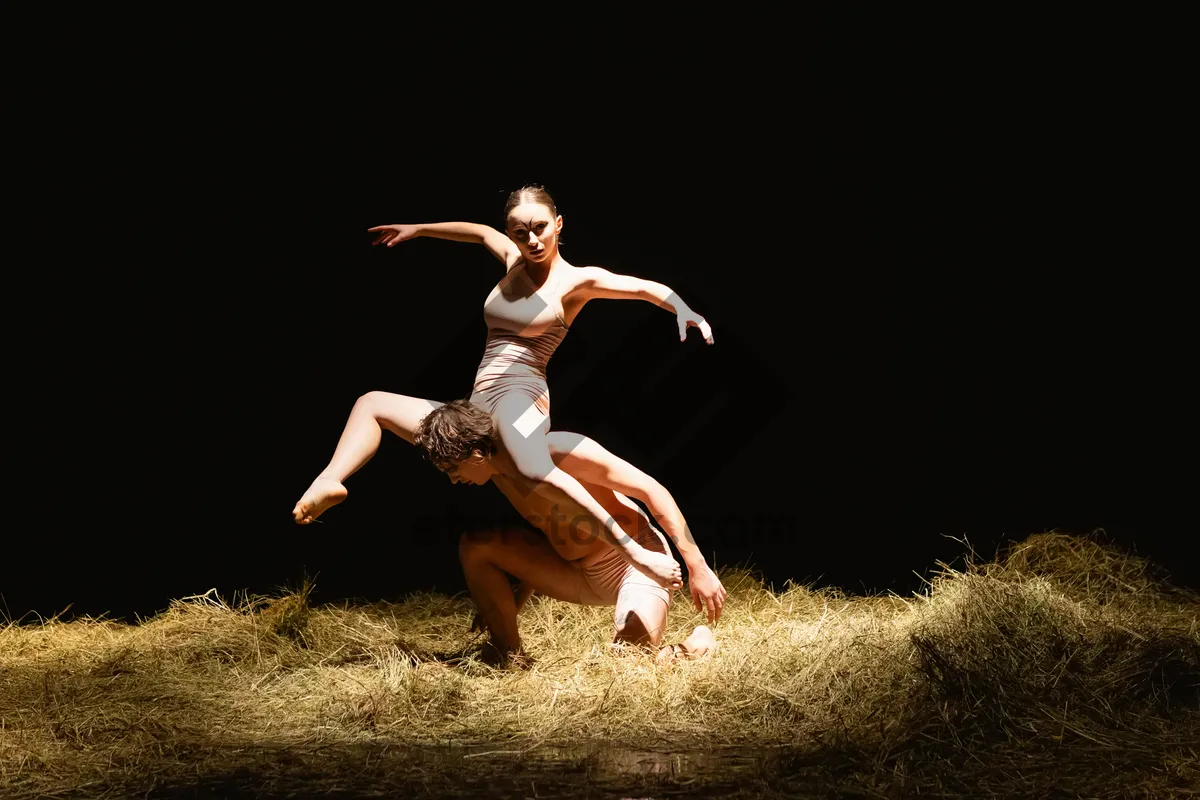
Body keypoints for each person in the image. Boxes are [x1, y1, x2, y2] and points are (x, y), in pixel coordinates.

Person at [357, 184, 714, 594]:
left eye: (540, 229)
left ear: (558, 225)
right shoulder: (513, 263)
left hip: (523, 395)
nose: (531, 240)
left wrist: (681, 308)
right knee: (380, 407)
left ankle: (633, 549)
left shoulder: (576, 282)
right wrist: (419, 229)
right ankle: (331, 480)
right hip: (481, 402)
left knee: (529, 469)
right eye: (519, 233)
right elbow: (478, 232)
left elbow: (640, 287)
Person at [292, 392, 725, 666]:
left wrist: (697, 564)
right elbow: (373, 405)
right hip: (575, 572)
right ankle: (509, 655)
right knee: (477, 545)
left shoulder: (558, 452)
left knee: (629, 663)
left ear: (478, 452)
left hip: (637, 564)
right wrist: (332, 476)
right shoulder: (487, 456)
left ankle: (693, 647)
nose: (452, 479)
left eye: (453, 469)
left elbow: (652, 489)